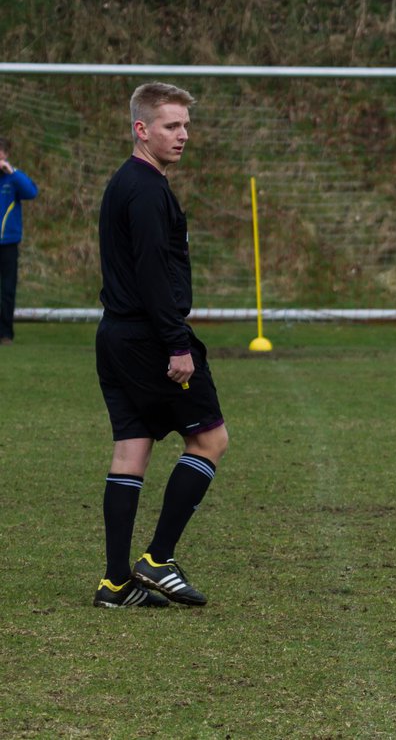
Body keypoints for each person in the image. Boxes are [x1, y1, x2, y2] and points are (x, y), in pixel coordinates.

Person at [93, 83, 229, 609]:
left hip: (115, 336)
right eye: (172, 126)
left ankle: (114, 583)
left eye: (186, 126)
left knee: (131, 450)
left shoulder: (124, 182)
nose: (184, 135)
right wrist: (177, 344)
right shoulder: (147, 188)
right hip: (151, 338)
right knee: (210, 441)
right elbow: (151, 272)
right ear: (141, 129)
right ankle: (157, 558)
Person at [0, 136, 39, 345]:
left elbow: (31, 192)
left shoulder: (12, 179)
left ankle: (5, 334)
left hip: (8, 244)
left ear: (6, 155)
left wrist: (12, 172)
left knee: (7, 290)